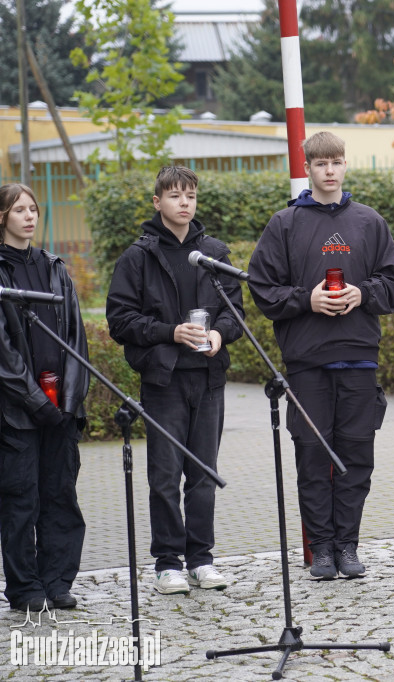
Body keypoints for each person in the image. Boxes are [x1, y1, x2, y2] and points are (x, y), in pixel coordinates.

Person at [248, 132, 394, 580]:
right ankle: (322, 550)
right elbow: (262, 289)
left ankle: (348, 546)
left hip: (358, 358)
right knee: (313, 456)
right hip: (308, 362)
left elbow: (392, 287)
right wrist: (306, 300)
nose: (329, 171)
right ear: (308, 168)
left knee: (356, 457)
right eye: (320, 164)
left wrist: (363, 292)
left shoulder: (370, 222)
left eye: (336, 162)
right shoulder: (285, 224)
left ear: (344, 165)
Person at [106, 166, 243, 595]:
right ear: (157, 202)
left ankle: (201, 558)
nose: (184, 203)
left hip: (208, 378)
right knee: (164, 476)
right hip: (163, 380)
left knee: (203, 473)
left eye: (191, 196)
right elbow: (120, 319)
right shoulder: (138, 257)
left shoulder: (213, 252)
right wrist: (171, 332)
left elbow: (233, 312)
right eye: (175, 196)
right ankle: (168, 562)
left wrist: (220, 334)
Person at [0, 183, 89, 612]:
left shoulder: (55, 268)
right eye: (19, 210)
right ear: (3, 217)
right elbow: (3, 354)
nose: (30, 216)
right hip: (16, 413)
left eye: (33, 209)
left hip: (60, 410)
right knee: (21, 500)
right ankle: (25, 589)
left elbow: (75, 338)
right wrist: (36, 402)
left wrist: (68, 403)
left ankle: (58, 581)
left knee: (61, 498)